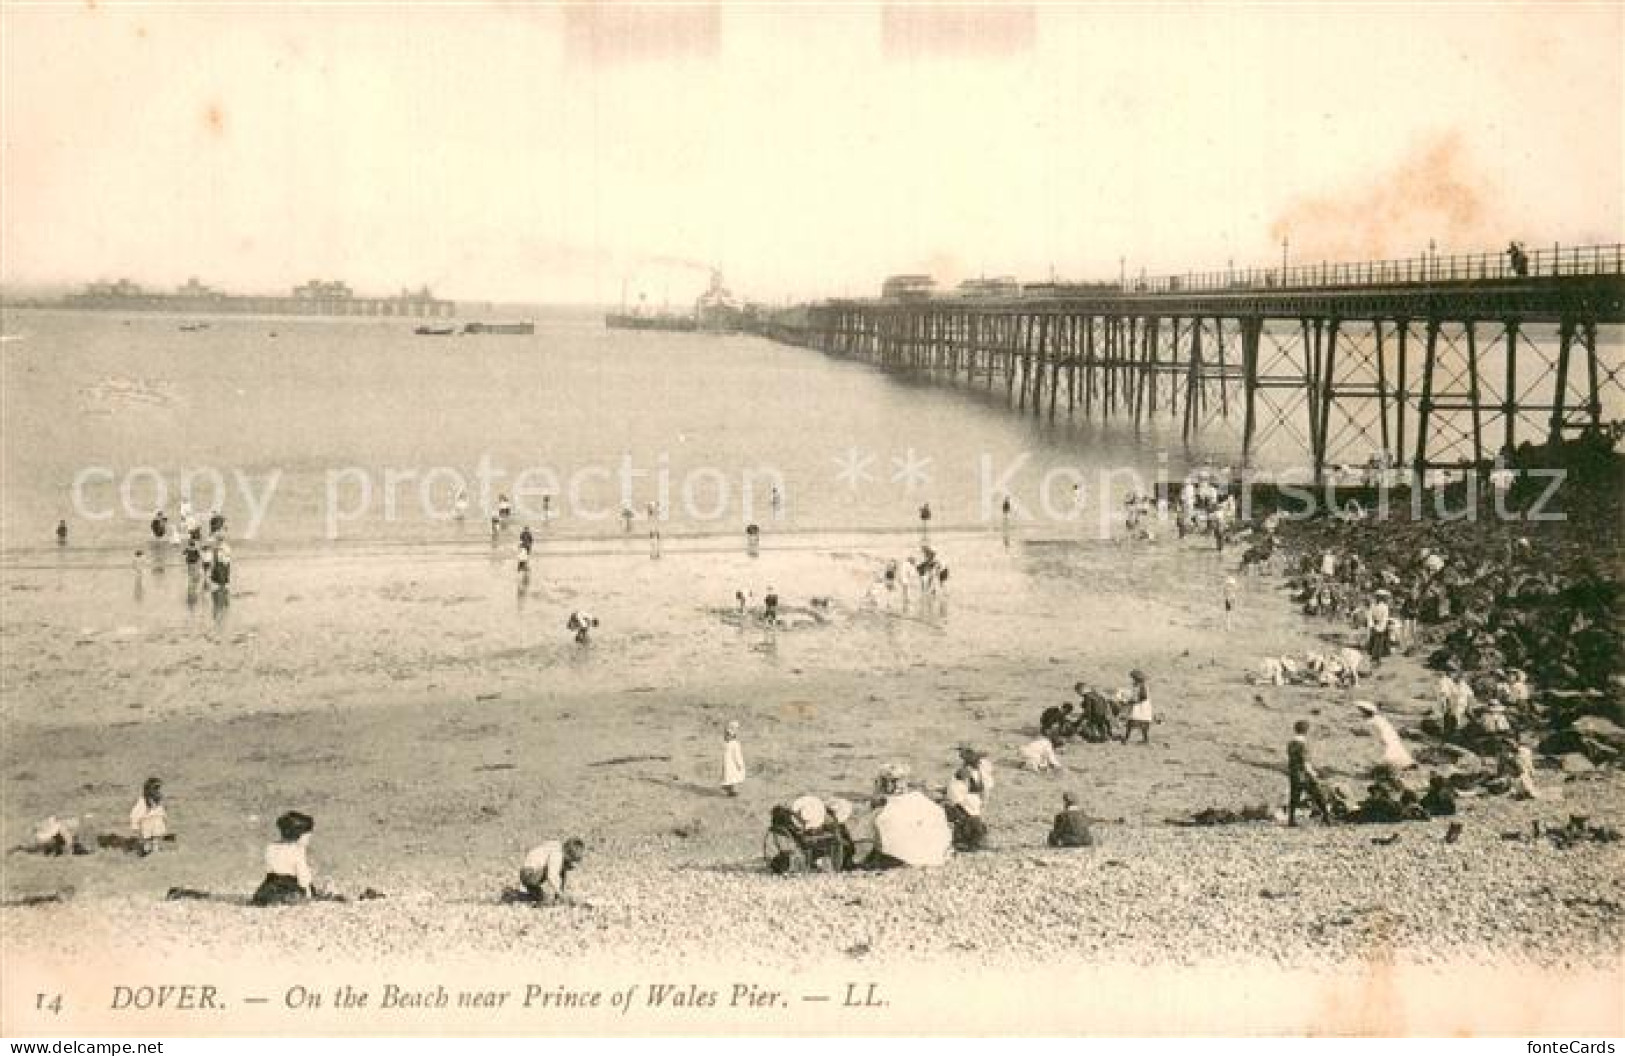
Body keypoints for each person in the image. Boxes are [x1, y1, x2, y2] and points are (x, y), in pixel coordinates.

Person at [251, 812, 316, 906]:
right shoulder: (297, 850)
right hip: (290, 887)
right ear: (299, 836)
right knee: (304, 892)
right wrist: (308, 891)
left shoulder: (271, 847)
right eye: (308, 837)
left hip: (269, 885)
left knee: (267, 898)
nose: (308, 840)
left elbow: (269, 868)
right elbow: (303, 875)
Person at [1286, 721, 1332, 827]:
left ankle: (1291, 820)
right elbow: (1305, 762)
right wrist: (1313, 773)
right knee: (1318, 793)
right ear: (1306, 731)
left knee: (1294, 796)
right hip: (1303, 774)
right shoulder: (1303, 744)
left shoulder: (1290, 743)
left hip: (1293, 772)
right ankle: (1326, 817)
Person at [518, 838, 586, 906]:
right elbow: (551, 876)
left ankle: (540, 895)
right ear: (569, 854)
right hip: (530, 874)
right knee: (560, 869)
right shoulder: (557, 854)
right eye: (572, 860)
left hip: (525, 874)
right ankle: (557, 895)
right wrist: (560, 894)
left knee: (543, 897)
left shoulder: (556, 846)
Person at [1356, 701, 1415, 770]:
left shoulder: (1374, 720)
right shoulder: (1376, 719)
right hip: (1387, 736)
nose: (1362, 713)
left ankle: (1403, 764)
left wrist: (1383, 738)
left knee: (1391, 750)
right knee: (1394, 748)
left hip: (1387, 736)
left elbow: (1382, 729)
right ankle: (1404, 764)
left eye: (1364, 711)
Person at [129, 777, 168, 856]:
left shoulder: (157, 801)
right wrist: (135, 824)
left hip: (157, 822)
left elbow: (160, 810)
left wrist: (164, 817)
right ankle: (146, 851)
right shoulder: (143, 801)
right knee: (147, 839)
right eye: (155, 789)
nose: (157, 791)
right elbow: (136, 813)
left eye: (158, 789)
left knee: (156, 838)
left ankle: (155, 851)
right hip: (147, 823)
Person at [1121, 669, 1154, 745]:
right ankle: (1144, 739)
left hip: (1141, 706)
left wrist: (1131, 701)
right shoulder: (1139, 685)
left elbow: (1142, 697)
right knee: (1141, 723)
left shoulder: (1142, 686)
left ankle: (1127, 739)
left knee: (1132, 722)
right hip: (1142, 706)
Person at [1366, 590, 1393, 665]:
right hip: (1376, 624)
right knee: (1375, 641)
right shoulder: (1374, 605)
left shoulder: (1383, 606)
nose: (1379, 599)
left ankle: (1378, 657)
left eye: (1381, 597)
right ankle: (1375, 657)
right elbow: (1370, 615)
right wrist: (1372, 625)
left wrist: (1379, 627)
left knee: (1380, 642)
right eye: (1378, 597)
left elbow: (1385, 618)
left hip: (1380, 625)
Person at [721, 721, 746, 797]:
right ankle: (731, 790)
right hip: (732, 763)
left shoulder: (728, 743)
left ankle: (730, 790)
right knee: (732, 777)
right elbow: (737, 755)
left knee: (730, 777)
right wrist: (740, 764)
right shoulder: (734, 744)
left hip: (729, 763)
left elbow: (735, 755)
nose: (726, 737)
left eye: (728, 735)